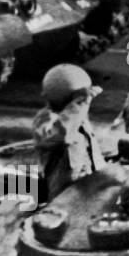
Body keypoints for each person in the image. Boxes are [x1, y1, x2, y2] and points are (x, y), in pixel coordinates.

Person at [33, 64, 105, 202]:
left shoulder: (77, 117)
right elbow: (63, 136)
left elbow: (90, 150)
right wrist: (79, 105)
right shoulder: (45, 120)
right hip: (63, 192)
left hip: (87, 185)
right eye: (79, 99)